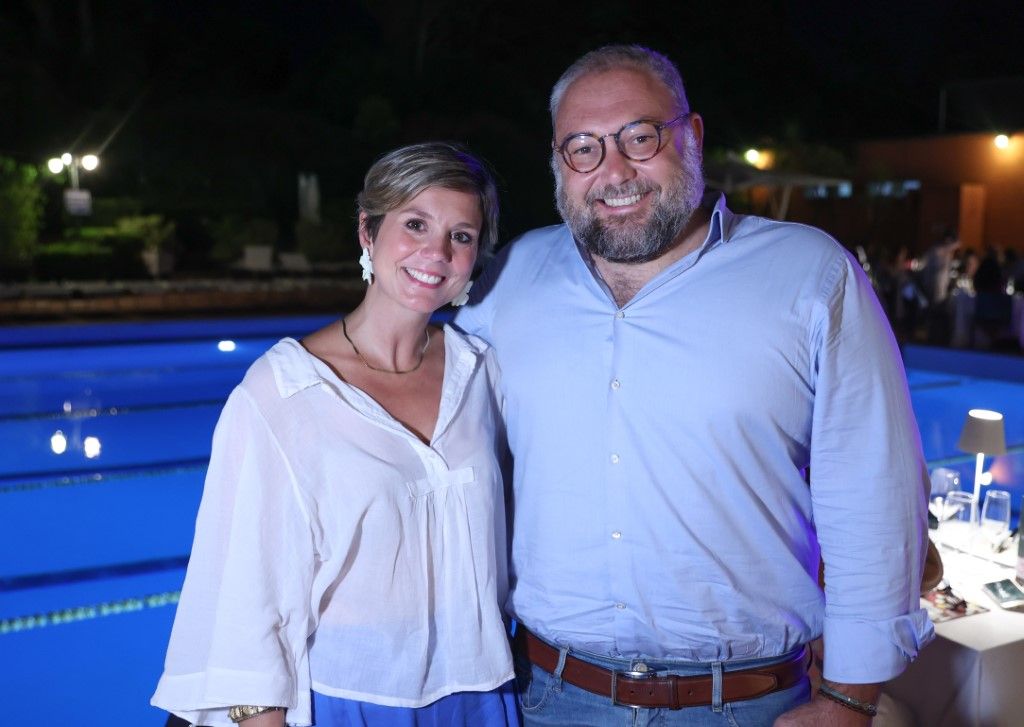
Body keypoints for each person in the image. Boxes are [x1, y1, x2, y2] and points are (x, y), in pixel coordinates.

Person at [456, 45, 933, 726]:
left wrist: (851, 697)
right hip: (547, 696)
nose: (614, 171)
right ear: (559, 162)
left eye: (640, 137)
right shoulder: (510, 280)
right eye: (584, 148)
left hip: (745, 704)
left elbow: (873, 489)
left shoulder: (809, 276)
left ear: (694, 135)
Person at [152, 142, 519, 727]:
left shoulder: (480, 373)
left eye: (461, 235)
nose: (436, 252)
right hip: (348, 699)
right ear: (368, 231)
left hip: (481, 694)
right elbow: (245, 595)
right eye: (415, 224)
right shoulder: (283, 393)